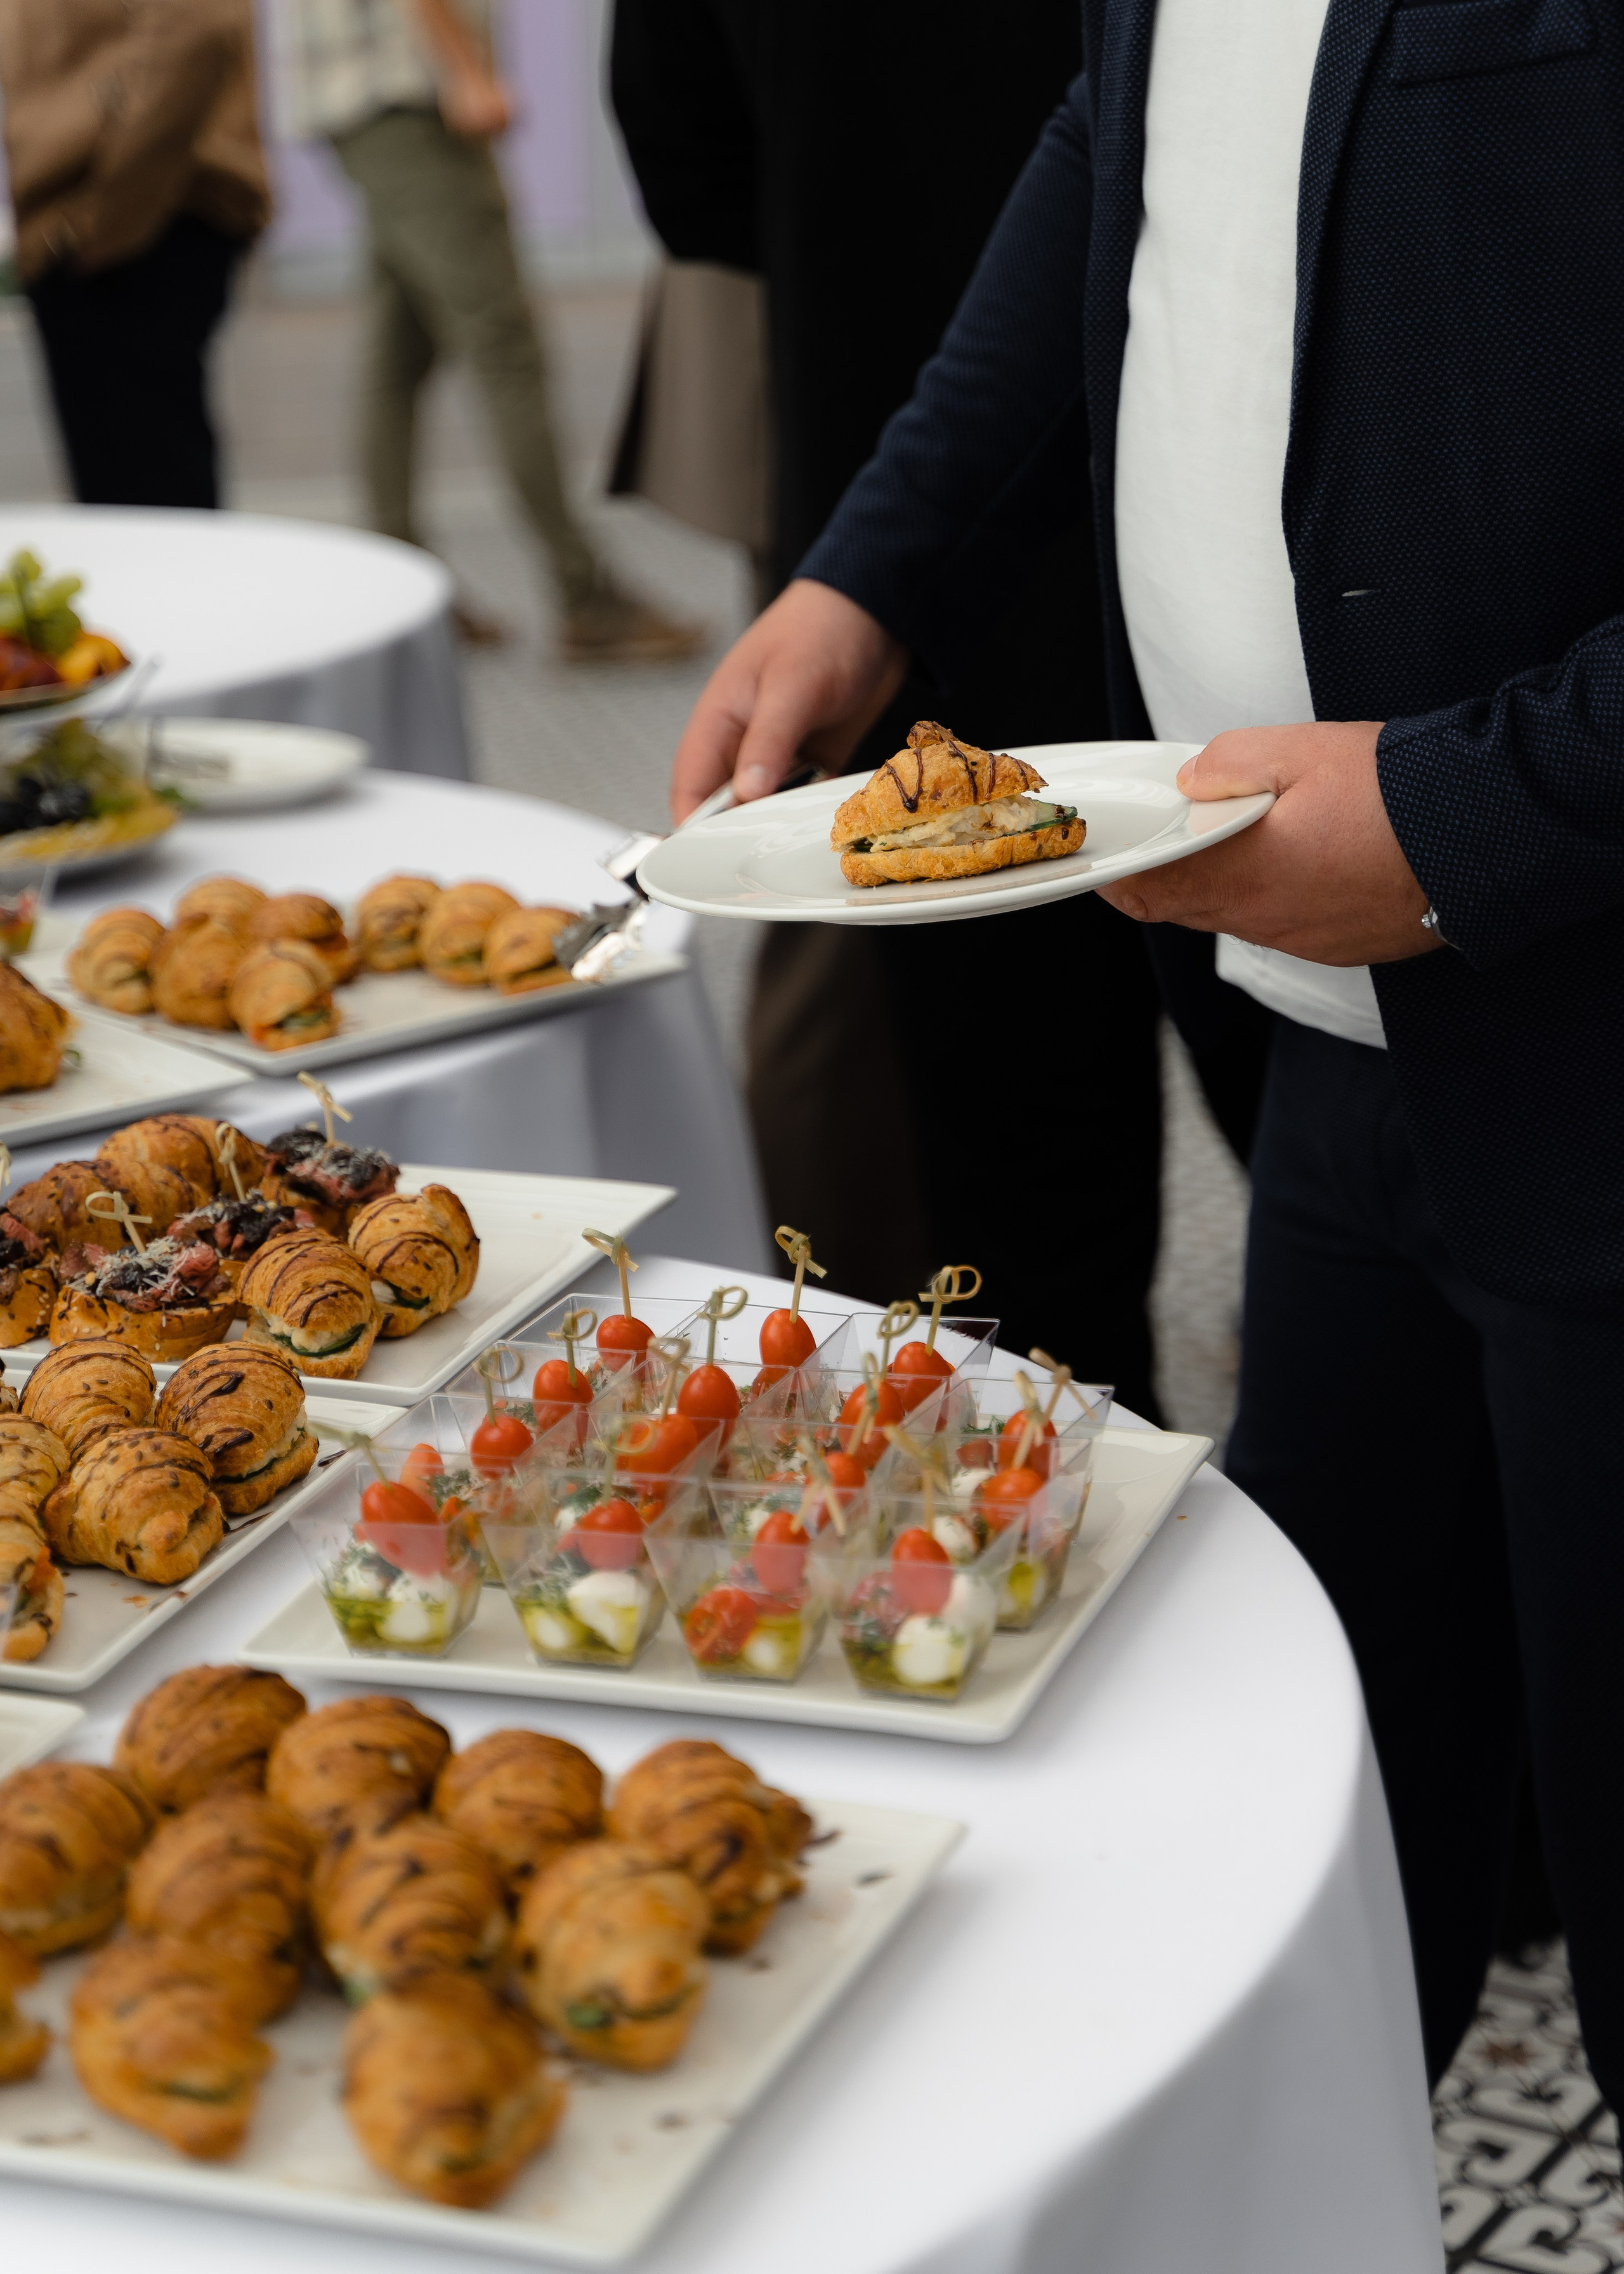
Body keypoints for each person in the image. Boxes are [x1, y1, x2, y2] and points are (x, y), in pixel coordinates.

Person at [665, 0, 1624, 2109]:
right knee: (1317, 1906)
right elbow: (1132, 143)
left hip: (1582, 1033)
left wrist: (1479, 820)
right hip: (1353, 1064)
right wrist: (871, 564)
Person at [612, 0, 1186, 1419]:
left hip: (888, 439)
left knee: (1021, 1141)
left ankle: (1049, 1428)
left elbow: (673, 130)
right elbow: (1106, 128)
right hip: (975, 516)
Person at [280, 0, 702, 662]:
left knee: (400, 353)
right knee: (506, 349)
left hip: (367, 98)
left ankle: (397, 595)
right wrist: (466, 68)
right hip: (410, 95)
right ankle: (582, 591)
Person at [0, 0, 268, 509]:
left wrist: (105, 219)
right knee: (120, 492)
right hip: (83, 220)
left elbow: (199, 28)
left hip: (136, 221)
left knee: (150, 504)